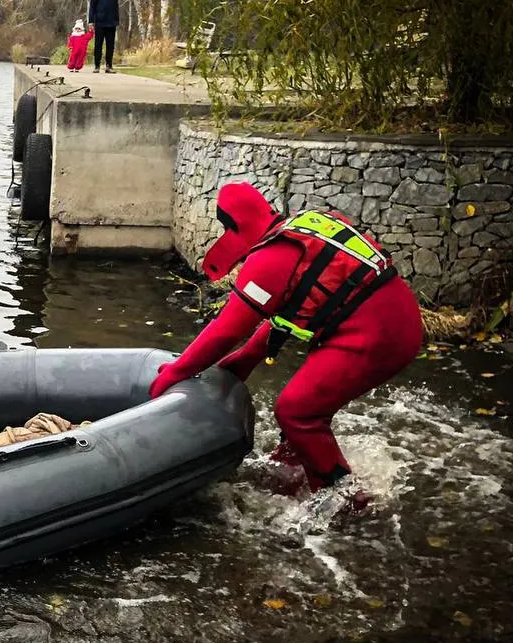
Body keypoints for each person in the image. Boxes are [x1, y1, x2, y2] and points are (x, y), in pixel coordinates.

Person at [148, 182, 424, 494]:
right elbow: (295, 305)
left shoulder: (270, 257)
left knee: (298, 411)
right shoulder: (301, 228)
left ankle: (345, 502)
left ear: (234, 226)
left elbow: (226, 330)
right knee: (307, 406)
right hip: (393, 318)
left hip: (378, 334)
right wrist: (246, 358)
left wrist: (176, 372)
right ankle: (293, 465)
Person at [87, 0, 126, 74]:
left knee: (110, 45)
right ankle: (97, 65)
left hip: (111, 21)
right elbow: (92, 6)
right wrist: (91, 21)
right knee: (98, 45)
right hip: (100, 21)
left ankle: (109, 66)